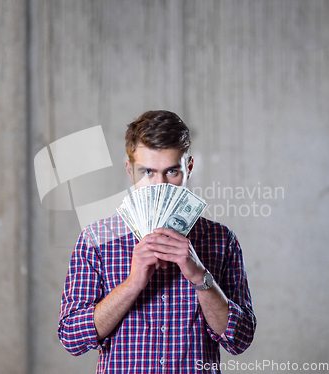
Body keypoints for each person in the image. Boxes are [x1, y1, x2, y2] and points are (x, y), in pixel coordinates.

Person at [58, 110, 256, 373]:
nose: (160, 185)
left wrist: (200, 277)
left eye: (172, 171)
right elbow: (72, 338)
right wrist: (132, 284)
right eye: (148, 172)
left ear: (190, 168)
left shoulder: (221, 239)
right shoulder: (96, 239)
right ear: (130, 171)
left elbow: (239, 340)